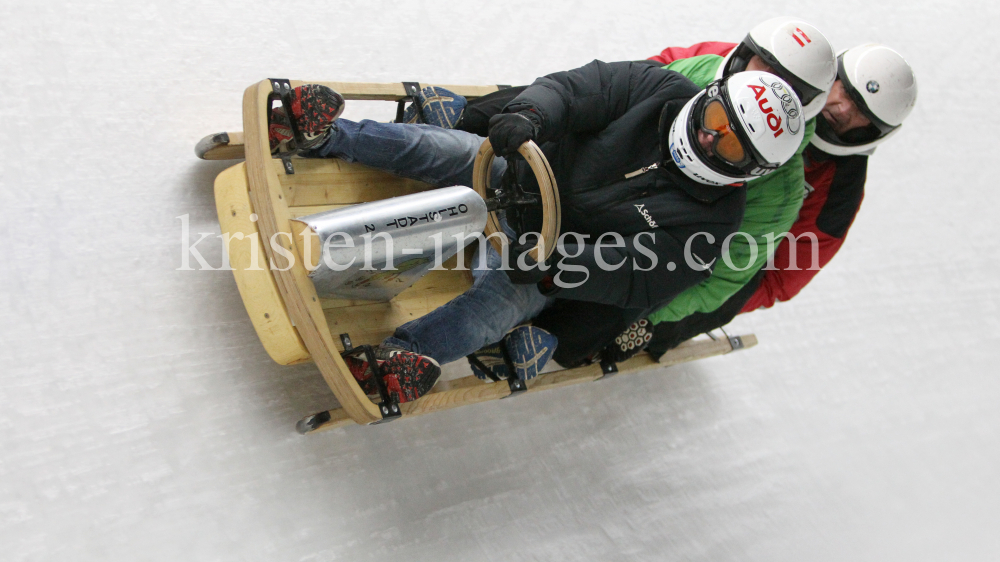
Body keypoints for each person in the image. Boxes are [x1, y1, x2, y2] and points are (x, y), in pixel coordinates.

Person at [270, 59, 805, 401]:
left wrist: (558, 267)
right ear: (709, 95)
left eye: (730, 145)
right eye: (715, 119)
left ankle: (403, 357)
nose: (710, 140)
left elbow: (637, 277)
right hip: (514, 171)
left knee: (493, 310)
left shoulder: (710, 226)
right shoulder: (657, 89)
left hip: (538, 256)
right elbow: (579, 90)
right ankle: (321, 135)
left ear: (747, 168)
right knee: (437, 147)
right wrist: (528, 116)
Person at [533, 17, 840, 367]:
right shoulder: (700, 70)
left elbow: (723, 273)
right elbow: (616, 89)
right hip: (604, 184)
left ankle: (551, 336)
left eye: (786, 84)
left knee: (601, 314)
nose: (768, 85)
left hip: (659, 240)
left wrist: (654, 317)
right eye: (766, 65)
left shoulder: (779, 191)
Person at [644, 43, 918, 356]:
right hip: (665, 179)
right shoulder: (770, 70)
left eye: (861, 114)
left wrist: (696, 300)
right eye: (846, 91)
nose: (842, 109)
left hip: (716, 248)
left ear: (874, 132)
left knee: (735, 284)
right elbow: (664, 67)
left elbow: (782, 276)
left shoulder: (840, 188)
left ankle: (648, 329)